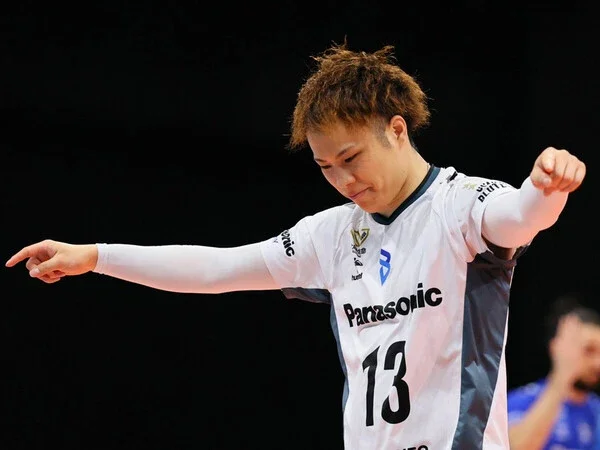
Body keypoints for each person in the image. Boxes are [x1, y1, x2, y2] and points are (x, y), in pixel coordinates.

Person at [5, 41, 587, 450]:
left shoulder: (461, 206)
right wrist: (97, 256)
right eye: (325, 166)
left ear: (397, 129)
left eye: (351, 158)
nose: (342, 179)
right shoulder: (330, 234)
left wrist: (547, 189)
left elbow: (519, 217)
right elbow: (217, 270)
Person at [507, 295, 600, 450]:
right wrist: (562, 378)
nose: (597, 363)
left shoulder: (596, 411)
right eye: (589, 350)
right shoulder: (523, 399)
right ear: (556, 348)